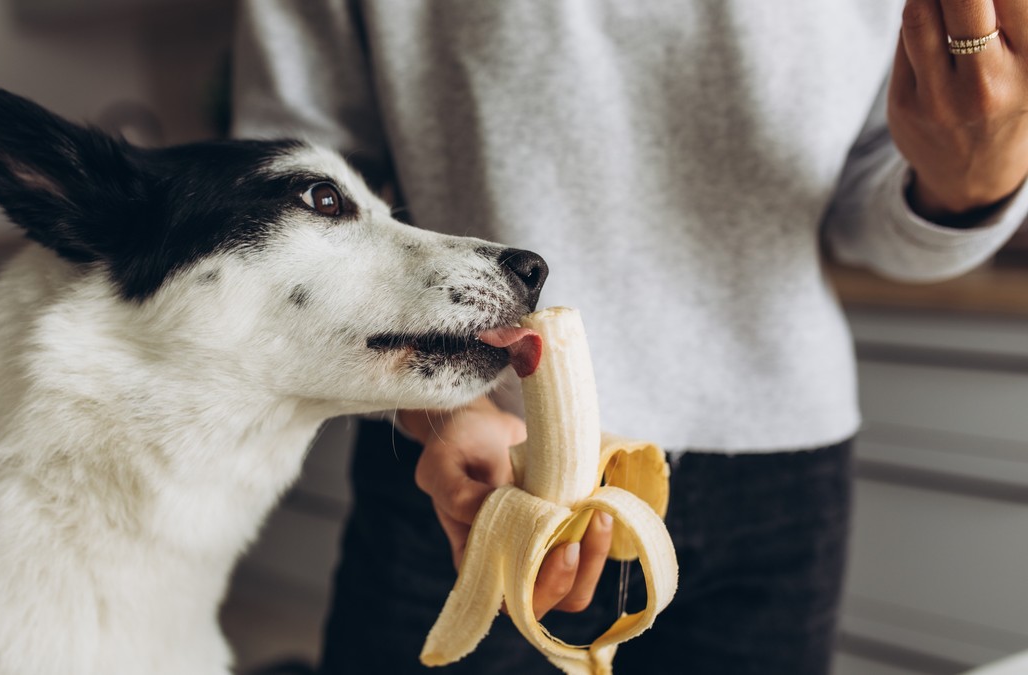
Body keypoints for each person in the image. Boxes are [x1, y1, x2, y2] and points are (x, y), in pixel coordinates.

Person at [230, 2, 1028, 673]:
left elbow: (868, 206)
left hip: (782, 470)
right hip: (473, 461)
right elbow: (298, 187)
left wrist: (972, 180)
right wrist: (440, 409)